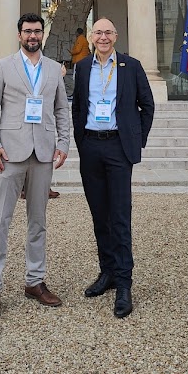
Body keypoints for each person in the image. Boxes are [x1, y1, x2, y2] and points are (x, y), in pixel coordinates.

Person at [0, 13, 70, 319]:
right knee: (0, 222)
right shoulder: (4, 66)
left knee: (38, 222)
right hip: (10, 154)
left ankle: (35, 281)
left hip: (43, 154)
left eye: (37, 31)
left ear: (42, 35)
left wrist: (63, 144)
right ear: (19, 35)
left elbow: (61, 108)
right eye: (27, 31)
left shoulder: (52, 69)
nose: (33, 35)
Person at [71, 17, 155, 318]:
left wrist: (135, 140)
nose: (103, 37)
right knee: (99, 215)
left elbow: (148, 104)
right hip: (91, 146)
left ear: (116, 36)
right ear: (92, 37)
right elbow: (78, 106)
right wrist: (82, 141)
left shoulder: (130, 66)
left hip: (119, 147)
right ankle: (106, 272)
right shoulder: (82, 67)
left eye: (108, 32)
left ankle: (123, 282)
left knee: (120, 215)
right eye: (98, 32)